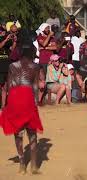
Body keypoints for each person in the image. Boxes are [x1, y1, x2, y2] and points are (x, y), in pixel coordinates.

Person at [0, 40, 43, 174]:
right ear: (31, 52)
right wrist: (36, 104)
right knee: (32, 133)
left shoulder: (12, 66)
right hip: (27, 98)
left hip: (14, 98)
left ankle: (22, 164)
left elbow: (9, 86)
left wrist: (5, 105)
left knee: (18, 133)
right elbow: (35, 87)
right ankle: (34, 166)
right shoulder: (35, 67)